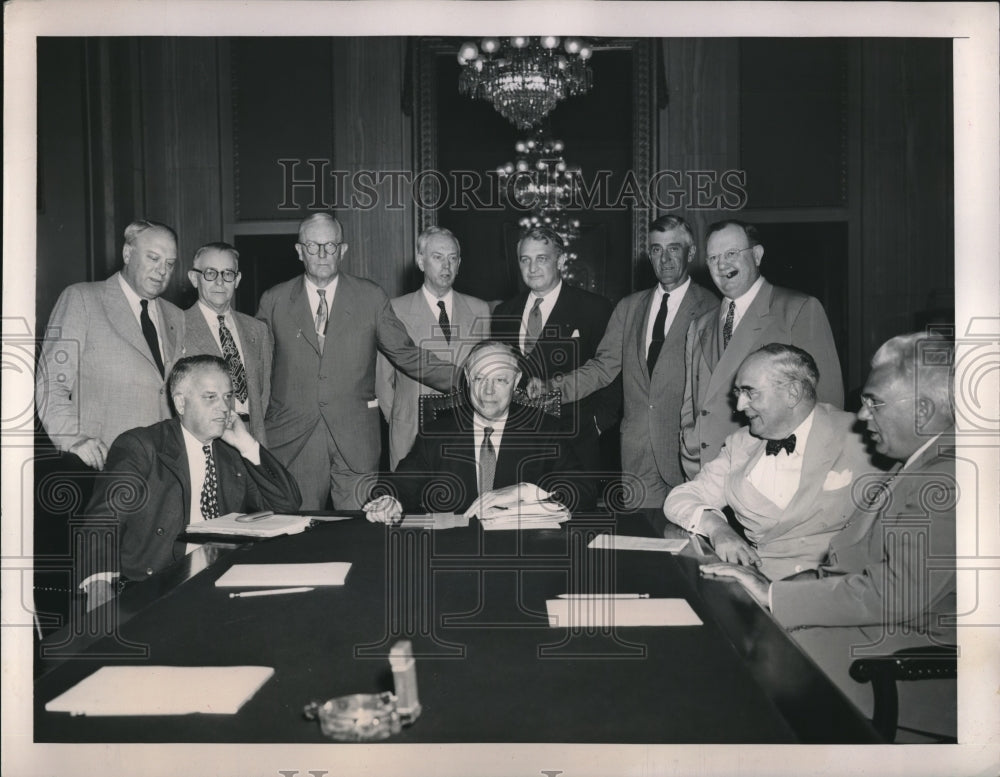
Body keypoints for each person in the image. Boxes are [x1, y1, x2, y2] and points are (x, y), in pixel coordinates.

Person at [702, 333, 956, 729]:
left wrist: (772, 594)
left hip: (905, 663)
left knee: (737, 657)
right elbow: (861, 563)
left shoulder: (947, 478)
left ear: (923, 410)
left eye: (874, 402)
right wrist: (786, 583)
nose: (863, 415)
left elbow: (896, 594)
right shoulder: (922, 464)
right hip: (882, 635)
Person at [256, 212, 456, 510]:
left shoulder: (370, 297)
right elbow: (258, 371)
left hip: (356, 440)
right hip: (293, 441)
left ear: (344, 250)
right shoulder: (274, 300)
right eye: (313, 246)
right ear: (299, 250)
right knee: (296, 536)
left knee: (359, 534)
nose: (322, 254)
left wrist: (467, 378)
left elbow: (406, 353)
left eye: (331, 245)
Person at [78, 355, 301, 610]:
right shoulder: (143, 446)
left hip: (220, 579)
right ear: (181, 403)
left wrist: (247, 444)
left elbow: (286, 505)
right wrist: (98, 586)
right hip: (156, 586)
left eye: (228, 397)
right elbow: (103, 520)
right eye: (210, 397)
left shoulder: (231, 453)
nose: (224, 407)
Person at [530, 215, 718, 508]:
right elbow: (602, 368)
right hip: (637, 454)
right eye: (656, 249)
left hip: (689, 454)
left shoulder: (711, 307)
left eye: (674, 249)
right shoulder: (629, 307)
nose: (664, 259)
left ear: (691, 253)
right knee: (644, 544)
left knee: (690, 547)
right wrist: (551, 387)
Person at [665, 343, 876, 581]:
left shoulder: (862, 434)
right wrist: (718, 529)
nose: (739, 406)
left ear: (792, 393)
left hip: (838, 590)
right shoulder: (740, 444)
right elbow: (680, 497)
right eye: (738, 393)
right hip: (759, 585)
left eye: (750, 392)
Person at [679, 220, 844, 480]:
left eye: (732, 253)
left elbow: (827, 404)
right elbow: (690, 405)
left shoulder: (797, 310)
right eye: (713, 258)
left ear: (756, 255)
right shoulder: (700, 326)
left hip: (769, 474)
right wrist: (690, 448)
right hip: (707, 472)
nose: (722, 264)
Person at [364, 341, 596, 522]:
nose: (488, 391)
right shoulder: (438, 432)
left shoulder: (543, 430)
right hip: (453, 553)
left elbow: (583, 490)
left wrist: (526, 491)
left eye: (500, 380)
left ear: (516, 382)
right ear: (467, 378)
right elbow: (402, 483)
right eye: (479, 378)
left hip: (523, 549)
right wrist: (389, 500)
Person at [35, 219, 184, 469]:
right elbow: (50, 385)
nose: (162, 271)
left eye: (170, 264)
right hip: (105, 464)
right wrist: (74, 439)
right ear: (128, 253)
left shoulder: (176, 316)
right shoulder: (83, 299)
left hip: (164, 468)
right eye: (153, 258)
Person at [491, 226, 615, 473]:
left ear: (560, 261)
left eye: (541, 259)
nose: (532, 268)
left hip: (576, 441)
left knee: (576, 510)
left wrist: (598, 423)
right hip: (520, 442)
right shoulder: (504, 312)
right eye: (525, 260)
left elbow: (610, 372)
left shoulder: (594, 308)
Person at [375, 226, 490, 469]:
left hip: (465, 432)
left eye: (452, 258)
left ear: (459, 264)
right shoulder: (394, 310)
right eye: (437, 257)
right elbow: (383, 382)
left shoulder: (480, 310)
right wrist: (400, 419)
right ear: (420, 261)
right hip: (410, 433)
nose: (446, 266)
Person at [181, 242, 273, 444]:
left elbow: (263, 393)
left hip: (252, 438)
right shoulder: (177, 327)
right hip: (204, 440)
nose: (220, 282)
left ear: (237, 279)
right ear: (194, 278)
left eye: (228, 274)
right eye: (210, 274)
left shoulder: (257, 330)